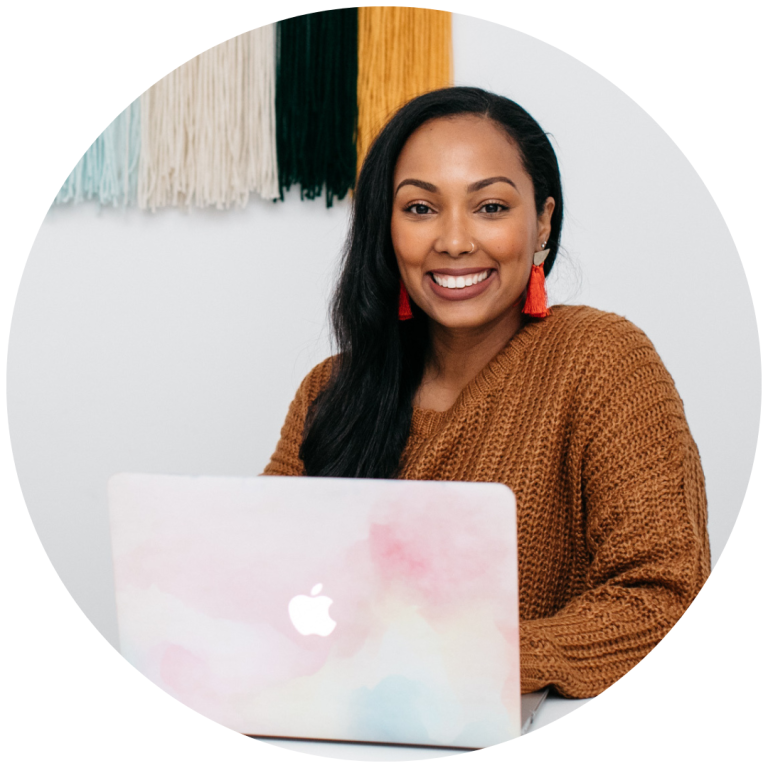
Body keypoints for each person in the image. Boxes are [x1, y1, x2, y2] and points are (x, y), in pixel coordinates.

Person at [263, 87, 710, 699]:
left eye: (490, 207)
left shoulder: (602, 360)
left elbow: (668, 596)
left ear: (543, 222)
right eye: (420, 209)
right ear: (385, 229)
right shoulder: (331, 389)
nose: (453, 241)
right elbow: (256, 581)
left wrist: (476, 660)